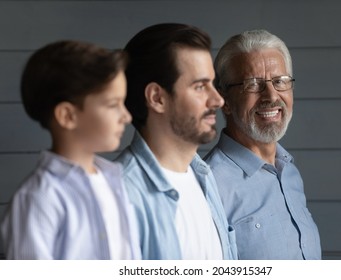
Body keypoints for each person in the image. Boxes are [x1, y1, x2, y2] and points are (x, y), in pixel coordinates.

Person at [0, 40, 141, 260]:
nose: (127, 116)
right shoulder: (38, 198)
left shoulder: (113, 180)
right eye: (113, 105)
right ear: (67, 115)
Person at [115, 23, 237, 260]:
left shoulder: (204, 176)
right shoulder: (120, 196)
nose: (217, 100)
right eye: (200, 86)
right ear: (157, 98)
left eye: (213, 84)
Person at [204, 29, 321, 259]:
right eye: (253, 84)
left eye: (280, 81)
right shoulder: (210, 187)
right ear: (224, 100)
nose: (271, 96)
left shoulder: (289, 173)